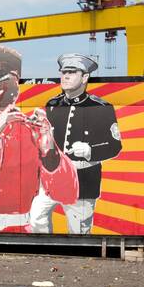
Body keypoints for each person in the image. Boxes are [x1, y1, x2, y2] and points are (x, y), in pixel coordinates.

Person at [0, 46, 78, 233]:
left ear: (14, 85)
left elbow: (67, 193)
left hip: (18, 228)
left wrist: (49, 148)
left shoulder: (31, 128)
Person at [33, 53, 121, 234]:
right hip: (53, 175)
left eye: (72, 72)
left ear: (85, 77)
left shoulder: (101, 107)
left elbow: (114, 145)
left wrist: (90, 151)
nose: (65, 76)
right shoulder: (53, 104)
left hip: (83, 178)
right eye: (63, 72)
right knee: (36, 218)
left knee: (78, 231)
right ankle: (46, 248)